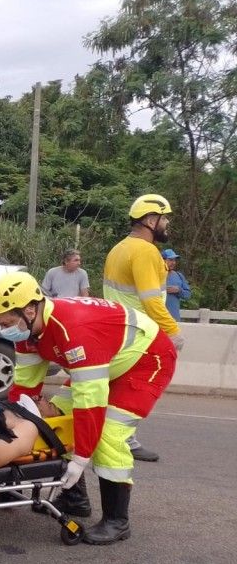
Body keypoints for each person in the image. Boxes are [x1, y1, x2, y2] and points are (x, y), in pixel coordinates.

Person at [0, 271, 176, 545]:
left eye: (6, 323)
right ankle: (76, 499)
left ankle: (116, 521)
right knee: (54, 416)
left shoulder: (73, 329)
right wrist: (13, 424)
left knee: (109, 435)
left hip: (147, 362)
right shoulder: (27, 332)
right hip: (106, 360)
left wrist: (80, 459)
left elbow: (91, 403)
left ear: (29, 309)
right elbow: (25, 388)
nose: (4, 330)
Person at [103, 193, 183, 463]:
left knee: (117, 387)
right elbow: (151, 300)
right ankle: (123, 438)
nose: (167, 222)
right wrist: (173, 331)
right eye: (164, 218)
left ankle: (117, 435)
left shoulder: (120, 247)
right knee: (139, 388)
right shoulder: (145, 251)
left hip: (120, 329)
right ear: (151, 220)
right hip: (140, 333)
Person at [162, 248, 191, 322]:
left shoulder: (179, 276)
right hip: (157, 319)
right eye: (170, 260)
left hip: (174, 319)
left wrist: (179, 290)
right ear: (163, 260)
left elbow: (188, 295)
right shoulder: (154, 275)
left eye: (174, 260)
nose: (173, 262)